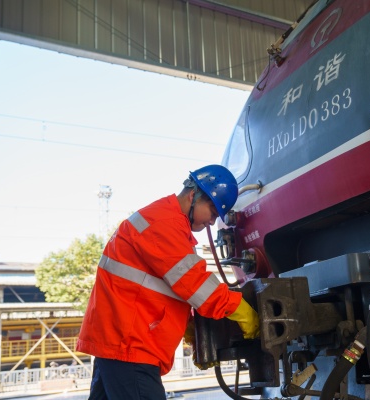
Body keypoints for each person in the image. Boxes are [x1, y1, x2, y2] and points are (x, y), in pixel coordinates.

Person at [77, 164, 260, 399]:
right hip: (130, 346)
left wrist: (188, 325)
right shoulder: (164, 224)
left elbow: (159, 288)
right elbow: (196, 284)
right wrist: (243, 312)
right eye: (213, 213)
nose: (213, 223)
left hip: (119, 343)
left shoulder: (164, 220)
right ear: (194, 196)